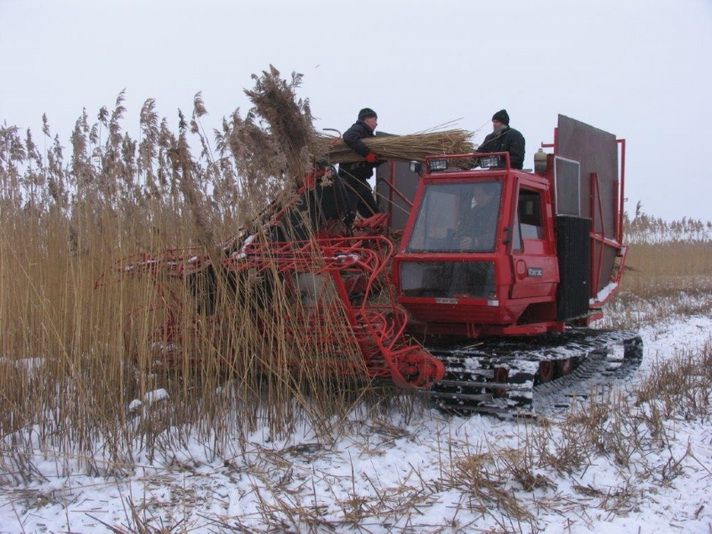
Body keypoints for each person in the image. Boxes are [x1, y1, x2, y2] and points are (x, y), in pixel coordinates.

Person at [339, 108, 382, 220]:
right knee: (348, 215)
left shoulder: (369, 136)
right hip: (350, 178)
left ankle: (375, 233)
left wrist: (379, 159)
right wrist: (367, 154)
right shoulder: (359, 129)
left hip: (360, 180)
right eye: (374, 119)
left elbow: (371, 161)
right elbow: (348, 137)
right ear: (366, 119)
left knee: (373, 214)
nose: (376, 123)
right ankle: (346, 232)